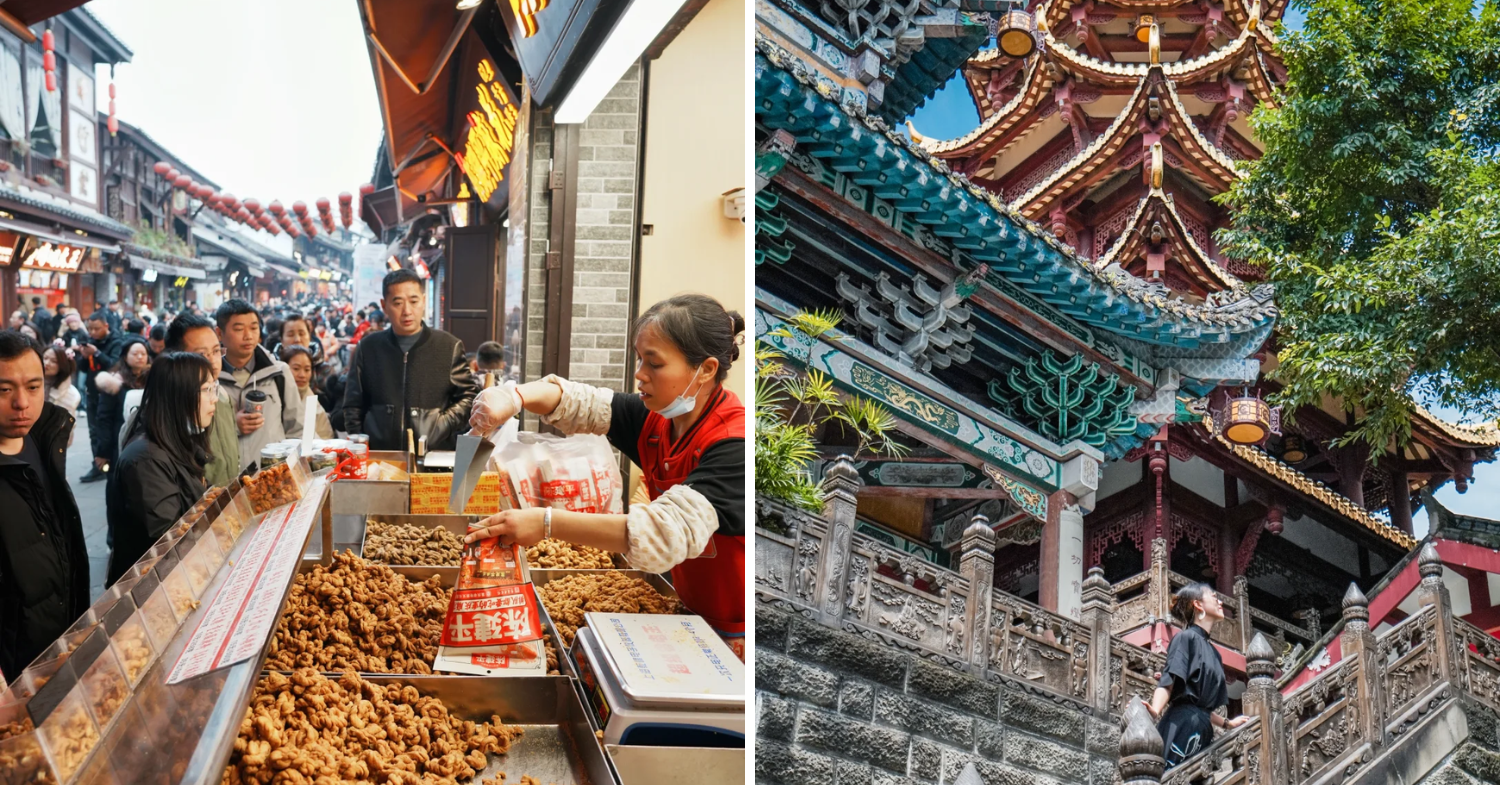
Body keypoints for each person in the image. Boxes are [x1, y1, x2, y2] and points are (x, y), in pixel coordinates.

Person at [464, 294, 747, 651]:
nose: (640, 374)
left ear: (705, 369)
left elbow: (660, 532)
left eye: (654, 364)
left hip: (731, 631)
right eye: (640, 359)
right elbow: (580, 402)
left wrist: (547, 523)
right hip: (685, 613)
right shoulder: (660, 417)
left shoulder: (732, 444)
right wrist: (514, 397)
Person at [0, 330, 89, 678]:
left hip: (59, 645)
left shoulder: (45, 438)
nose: (22, 402)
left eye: (33, 387)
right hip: (14, 672)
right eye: (4, 390)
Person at [104, 352, 216, 585]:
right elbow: (168, 542)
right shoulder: (145, 459)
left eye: (214, 388)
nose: (214, 399)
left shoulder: (179, 439)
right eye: (206, 390)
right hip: (156, 588)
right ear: (178, 395)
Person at [342, 270, 477, 451]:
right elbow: (353, 405)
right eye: (397, 302)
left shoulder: (449, 346)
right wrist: (361, 446)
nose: (407, 311)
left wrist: (441, 424)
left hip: (433, 455)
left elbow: (468, 397)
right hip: (380, 456)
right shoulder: (368, 348)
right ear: (384, 305)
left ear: (423, 301)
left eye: (413, 301)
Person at [1147, 583, 1249, 768]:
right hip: (1181, 725)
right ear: (1198, 605)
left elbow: (1203, 708)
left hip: (1202, 730)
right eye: (1213, 596)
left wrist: (1227, 724)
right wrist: (1154, 710)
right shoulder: (1185, 638)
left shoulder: (1215, 653)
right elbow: (1168, 682)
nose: (1220, 601)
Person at [215, 300, 303, 472]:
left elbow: (296, 430)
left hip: (273, 479)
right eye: (239, 329)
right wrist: (233, 427)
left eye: (254, 328)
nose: (248, 336)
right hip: (227, 483)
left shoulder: (279, 373)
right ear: (219, 333)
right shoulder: (209, 379)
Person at [161, 314, 239, 487]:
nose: (212, 361)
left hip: (228, 503)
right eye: (202, 354)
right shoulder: (163, 410)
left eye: (217, 351)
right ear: (177, 358)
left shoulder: (223, 397)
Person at [78, 313, 126, 482]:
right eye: (90, 328)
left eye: (96, 328)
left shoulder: (117, 341)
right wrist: (84, 356)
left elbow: (113, 364)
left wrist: (97, 353)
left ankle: (112, 462)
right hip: (92, 392)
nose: (92, 332)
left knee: (109, 430)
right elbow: (83, 369)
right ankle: (97, 464)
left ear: (106, 326)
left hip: (109, 395)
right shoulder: (90, 341)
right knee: (93, 432)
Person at [94, 338, 150, 472]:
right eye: (135, 354)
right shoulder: (114, 382)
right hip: (119, 442)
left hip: (147, 444)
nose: (140, 357)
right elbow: (104, 419)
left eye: (143, 353)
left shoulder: (154, 380)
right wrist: (103, 452)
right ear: (125, 357)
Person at [279, 345, 334, 439]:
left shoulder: (313, 402)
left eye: (307, 370)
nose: (302, 375)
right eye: (296, 369)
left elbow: (326, 436)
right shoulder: (276, 397)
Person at [42, 346, 80, 421]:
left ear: (63, 365)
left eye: (54, 361)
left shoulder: (72, 395)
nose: (46, 363)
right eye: (45, 358)